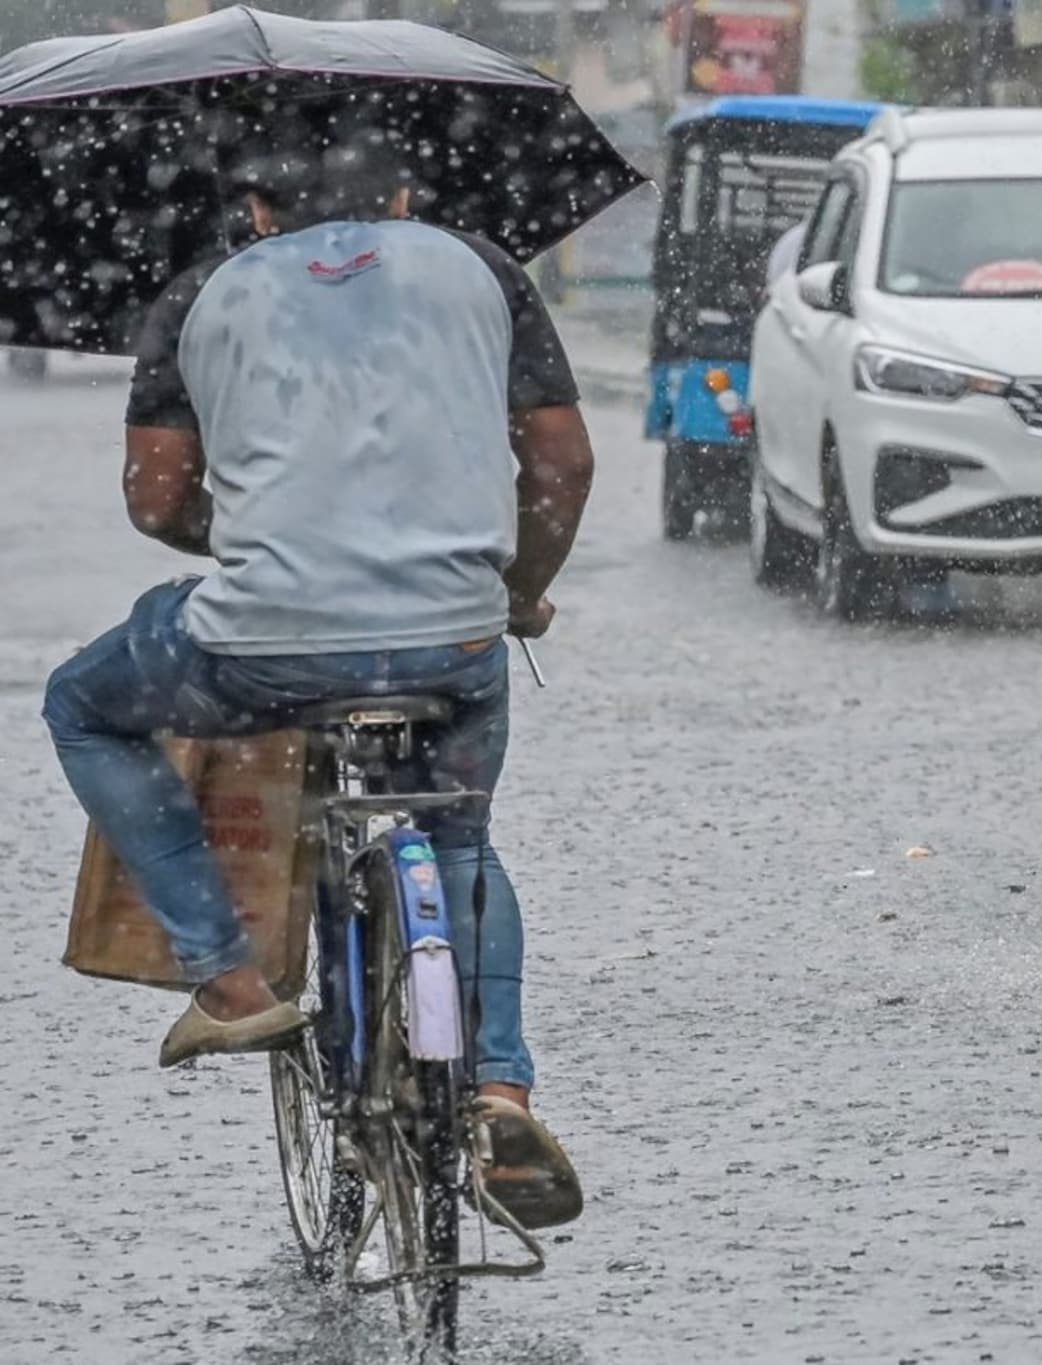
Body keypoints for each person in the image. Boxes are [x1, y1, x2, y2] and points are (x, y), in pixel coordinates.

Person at [41, 130, 593, 1228]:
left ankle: (230, 981)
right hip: (454, 643)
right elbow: (562, 462)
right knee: (463, 841)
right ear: (399, 192)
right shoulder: (479, 269)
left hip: (264, 647)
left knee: (83, 705)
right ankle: (496, 1088)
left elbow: (156, 503)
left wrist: (257, 532)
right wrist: (518, 589)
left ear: (252, 208)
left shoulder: (201, 293)